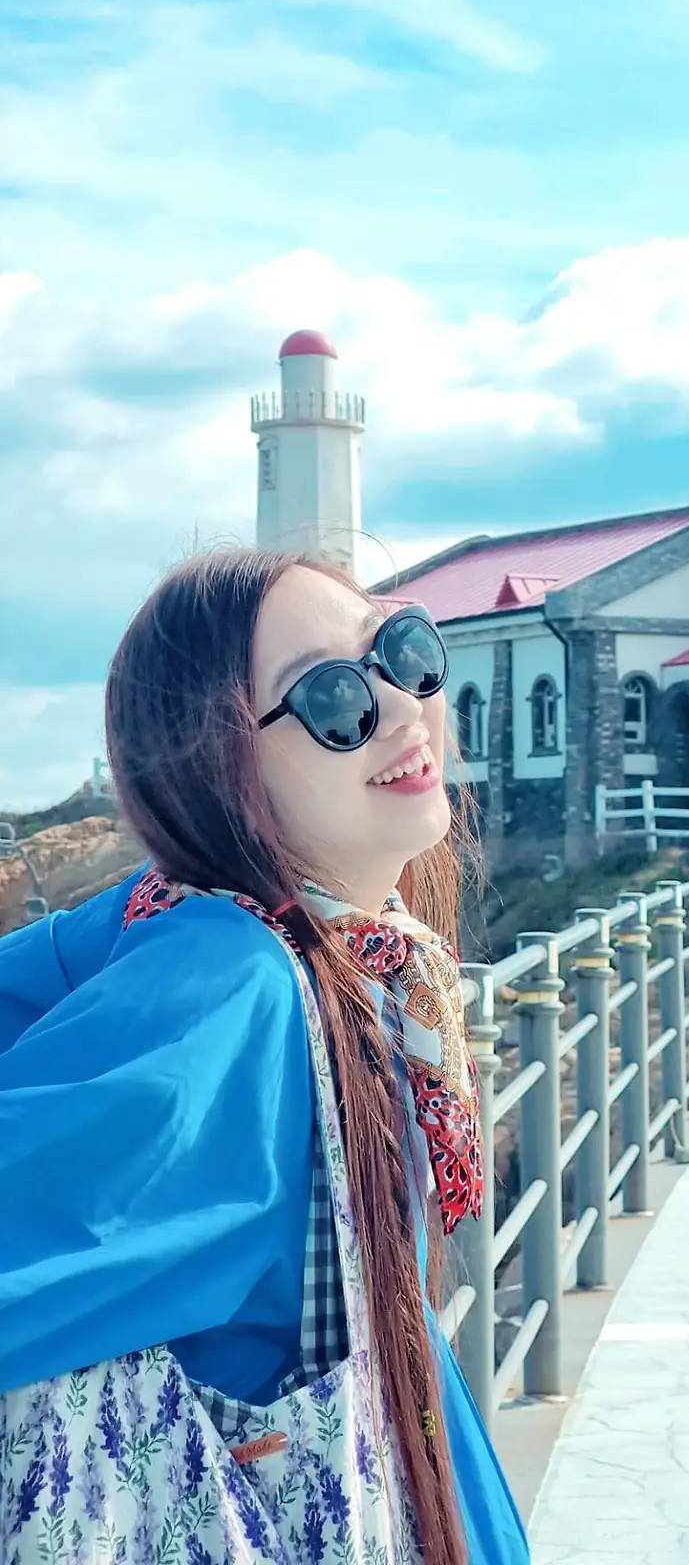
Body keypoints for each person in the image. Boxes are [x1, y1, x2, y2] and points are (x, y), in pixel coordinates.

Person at [0, 550, 528, 1564]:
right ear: (218, 770)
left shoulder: (310, 944)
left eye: (402, 652)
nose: (400, 706)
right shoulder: (236, 987)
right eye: (331, 698)